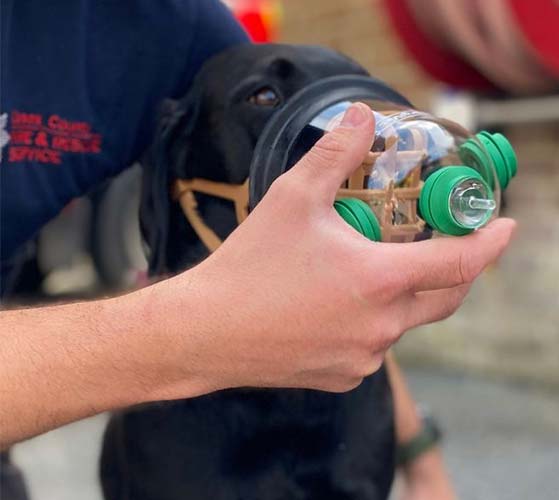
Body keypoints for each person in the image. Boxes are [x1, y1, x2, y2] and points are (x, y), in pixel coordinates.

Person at [0, 0, 515, 499]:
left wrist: (422, 462)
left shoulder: (168, 26)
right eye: (265, 97)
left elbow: (341, 263)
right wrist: (187, 333)